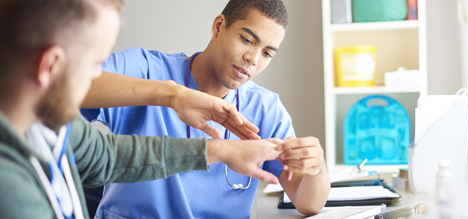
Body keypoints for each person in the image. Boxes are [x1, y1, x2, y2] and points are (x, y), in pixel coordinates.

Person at [0, 0, 290, 218]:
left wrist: (221, 151)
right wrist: (171, 94)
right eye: (93, 65)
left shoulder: (52, 126)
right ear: (50, 66)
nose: (96, 77)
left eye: (266, 52)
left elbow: (107, 156)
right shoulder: (12, 189)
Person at [82, 0, 331, 218]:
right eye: (247, 40)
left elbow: (309, 203)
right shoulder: (147, 69)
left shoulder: (266, 109)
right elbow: (66, 85)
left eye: (267, 53)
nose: (253, 59)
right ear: (219, 26)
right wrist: (171, 95)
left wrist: (316, 167)